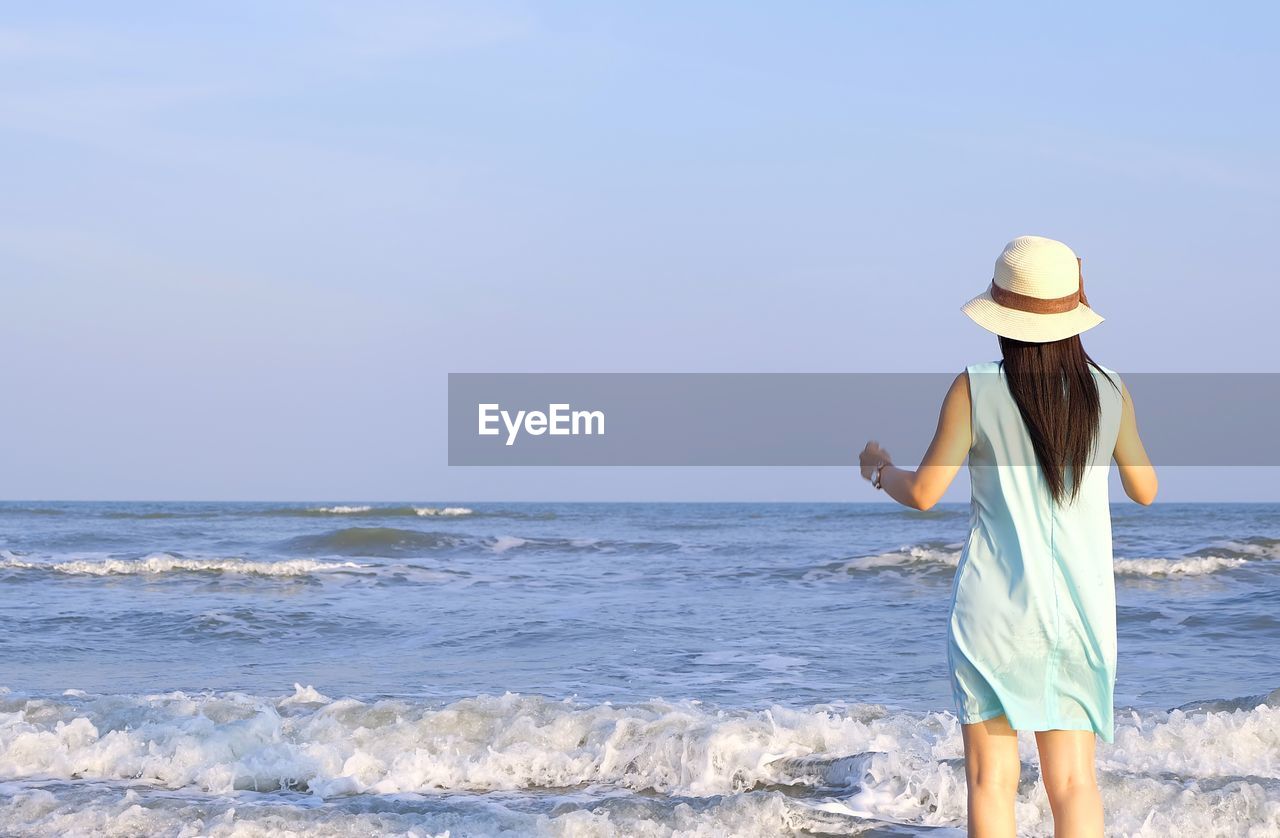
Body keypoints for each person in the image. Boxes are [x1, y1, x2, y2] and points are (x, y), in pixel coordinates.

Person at [858, 235, 1158, 838]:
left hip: (994, 613)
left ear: (1003, 317)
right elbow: (1145, 489)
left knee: (990, 782)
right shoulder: (1110, 389)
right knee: (1074, 785)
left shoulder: (976, 388)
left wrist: (878, 469)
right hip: (1081, 612)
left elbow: (923, 495)